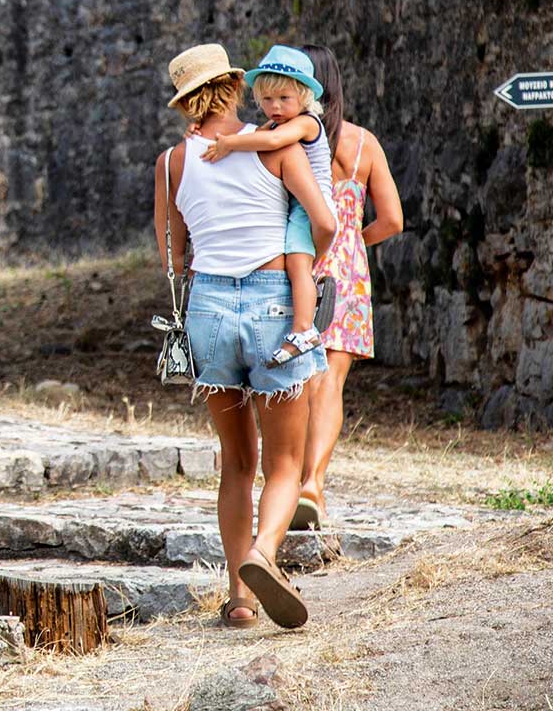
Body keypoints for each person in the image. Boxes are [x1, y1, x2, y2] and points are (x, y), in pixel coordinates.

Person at [154, 44, 337, 630]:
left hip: (206, 309)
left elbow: (171, 250)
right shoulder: (277, 148)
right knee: (284, 464)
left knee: (236, 462)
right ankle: (263, 553)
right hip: (273, 305)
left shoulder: (170, 164)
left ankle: (239, 597)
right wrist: (317, 260)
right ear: (236, 89)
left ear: (187, 101)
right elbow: (327, 222)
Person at [291, 44, 403, 531]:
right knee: (331, 382)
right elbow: (394, 220)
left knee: (298, 381)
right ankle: (313, 483)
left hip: (299, 262)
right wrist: (356, 238)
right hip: (349, 268)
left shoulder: (288, 141)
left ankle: (290, 481)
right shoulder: (363, 144)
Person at [200, 45, 335, 368]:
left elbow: (270, 143)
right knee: (296, 264)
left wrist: (228, 143)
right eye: (267, 100)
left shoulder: (306, 122)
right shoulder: (275, 125)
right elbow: (256, 136)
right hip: (296, 204)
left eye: (284, 99)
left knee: (298, 266)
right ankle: (304, 317)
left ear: (303, 97)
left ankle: (304, 329)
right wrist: (206, 132)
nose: (274, 107)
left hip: (309, 204)